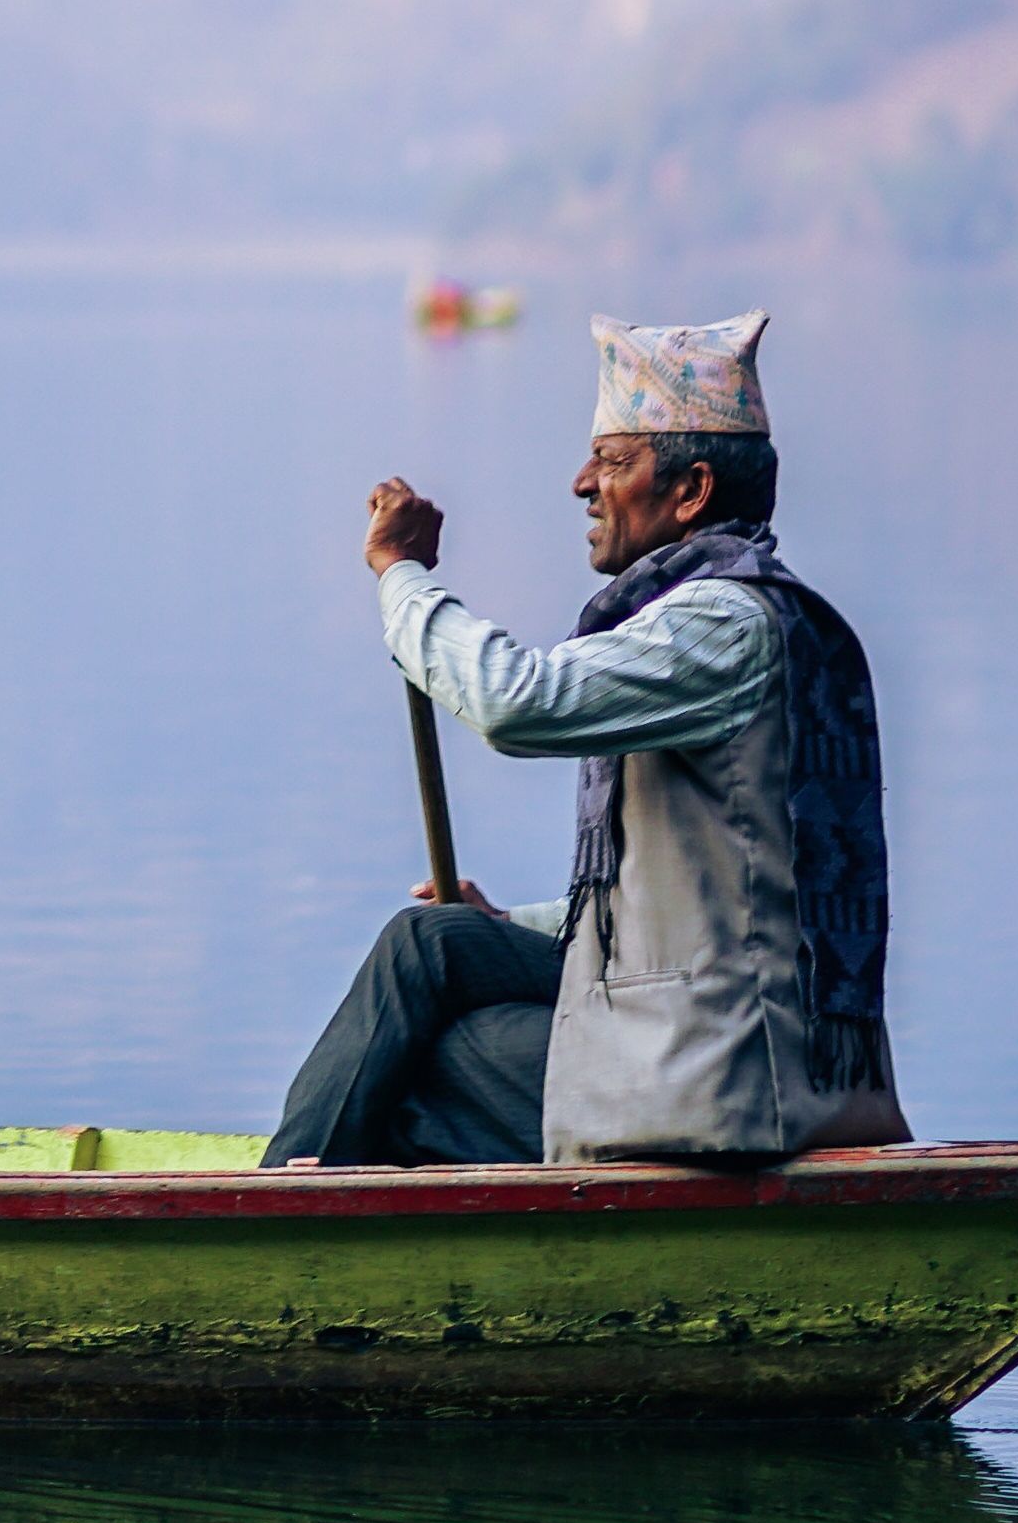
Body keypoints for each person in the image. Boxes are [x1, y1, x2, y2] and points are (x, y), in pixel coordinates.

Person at [267, 311, 909, 1169]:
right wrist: (505, 922)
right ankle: (309, 1184)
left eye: (612, 462)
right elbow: (689, 904)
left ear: (691, 492)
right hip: (725, 1031)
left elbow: (513, 702)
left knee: (423, 1063)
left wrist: (403, 578)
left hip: (731, 1076)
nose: (581, 483)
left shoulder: (724, 622)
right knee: (440, 942)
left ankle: (281, 1209)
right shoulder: (726, 615)